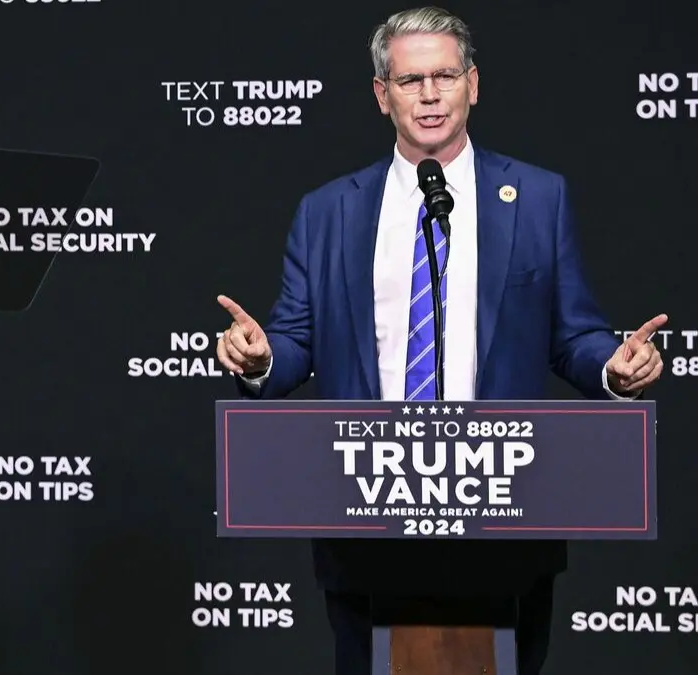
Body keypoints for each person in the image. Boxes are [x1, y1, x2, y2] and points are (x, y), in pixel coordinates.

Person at [215, 7, 664, 675]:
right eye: (410, 79)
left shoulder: (538, 198)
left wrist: (614, 368)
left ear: (473, 85)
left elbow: (574, 336)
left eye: (445, 76)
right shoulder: (327, 211)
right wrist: (260, 359)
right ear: (381, 94)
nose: (429, 95)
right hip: (367, 511)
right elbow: (294, 342)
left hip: (507, 510)